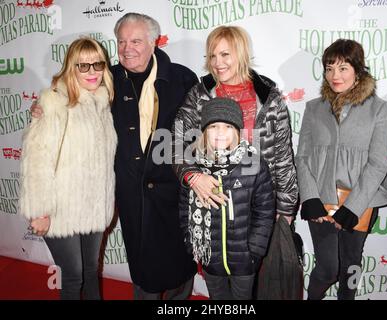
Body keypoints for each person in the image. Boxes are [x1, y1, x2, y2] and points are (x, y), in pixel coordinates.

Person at [30, 13, 199, 300]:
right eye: (121, 41)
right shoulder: (108, 79)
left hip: (173, 193)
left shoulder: (182, 78)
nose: (127, 48)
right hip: (131, 194)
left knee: (179, 268)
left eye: (135, 41)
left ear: (153, 41)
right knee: (142, 270)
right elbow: (72, 89)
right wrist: (44, 104)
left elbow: (194, 134)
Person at [172, 25, 299, 298]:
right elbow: (176, 141)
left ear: (241, 53)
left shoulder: (269, 97)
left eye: (225, 54)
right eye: (212, 56)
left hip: (259, 207)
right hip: (213, 210)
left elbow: (282, 156)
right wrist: (192, 175)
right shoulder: (200, 95)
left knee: (257, 288)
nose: (217, 63)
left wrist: (285, 210)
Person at [296, 39, 387, 300]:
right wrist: (309, 197)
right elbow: (303, 158)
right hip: (321, 197)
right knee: (328, 268)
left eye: (343, 68)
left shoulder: (379, 109)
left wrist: (352, 207)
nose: (334, 75)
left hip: (362, 200)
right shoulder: (313, 108)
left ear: (358, 70)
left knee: (352, 263)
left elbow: (378, 164)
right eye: (329, 68)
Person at [19, 37, 117, 300]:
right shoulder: (53, 102)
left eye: (97, 64)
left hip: (94, 206)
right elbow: (37, 158)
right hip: (60, 207)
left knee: (90, 270)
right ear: (70, 67)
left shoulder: (103, 103)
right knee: (73, 275)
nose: (92, 72)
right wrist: (40, 210)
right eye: (83, 66)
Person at [179, 97, 275, 300]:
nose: (221, 133)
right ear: (204, 131)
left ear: (238, 131)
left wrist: (255, 250)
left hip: (244, 259)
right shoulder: (194, 168)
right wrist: (191, 241)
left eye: (228, 126)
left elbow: (265, 211)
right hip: (210, 259)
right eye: (213, 126)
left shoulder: (254, 164)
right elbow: (183, 209)